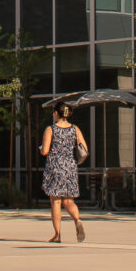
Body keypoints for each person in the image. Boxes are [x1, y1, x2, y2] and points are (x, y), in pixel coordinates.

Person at [38, 103, 87, 243]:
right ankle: (77, 220)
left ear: (55, 113)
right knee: (69, 200)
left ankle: (57, 235)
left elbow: (45, 151)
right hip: (70, 166)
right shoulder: (75, 129)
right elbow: (84, 148)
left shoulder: (51, 129)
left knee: (56, 201)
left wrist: (41, 149)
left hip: (55, 166)